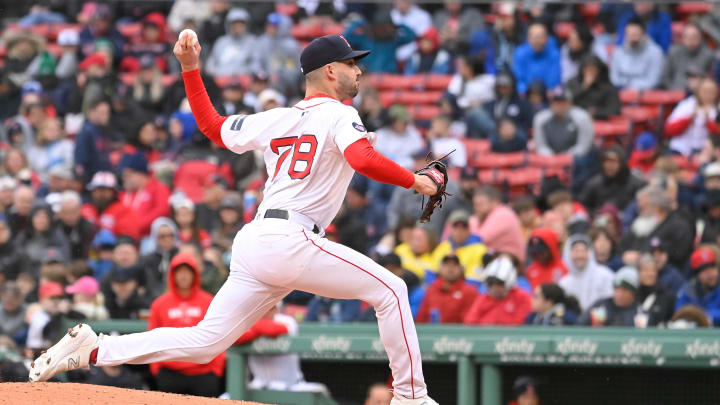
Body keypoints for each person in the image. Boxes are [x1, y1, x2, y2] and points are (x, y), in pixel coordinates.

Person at [35, 32, 443, 405]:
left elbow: (213, 127)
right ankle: (411, 397)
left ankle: (94, 349)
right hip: (291, 236)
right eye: (352, 63)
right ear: (331, 71)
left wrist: (190, 69)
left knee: (204, 342)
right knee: (391, 290)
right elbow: (361, 157)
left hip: (259, 240)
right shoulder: (339, 115)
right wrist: (415, 181)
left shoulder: (279, 117)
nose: (359, 70)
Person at [148, 253, 225, 397]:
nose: (183, 276)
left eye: (187, 271)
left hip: (204, 373)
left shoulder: (208, 301)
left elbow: (219, 335)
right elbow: (152, 336)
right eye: (179, 271)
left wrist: (216, 369)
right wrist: (156, 369)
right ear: (173, 275)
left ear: (194, 274)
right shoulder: (160, 304)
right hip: (170, 373)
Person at [463, 256, 532, 325]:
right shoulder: (484, 298)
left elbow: (519, 322)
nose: (495, 288)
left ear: (509, 283)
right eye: (491, 283)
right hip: (485, 334)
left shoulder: (522, 297)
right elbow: (470, 321)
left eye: (499, 284)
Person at [117, 151, 171, 237]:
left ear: (140, 174)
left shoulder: (158, 189)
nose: (124, 179)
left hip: (148, 236)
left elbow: (162, 210)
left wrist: (136, 225)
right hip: (124, 236)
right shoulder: (124, 194)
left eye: (128, 175)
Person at [580, 146, 647, 213]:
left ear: (622, 163)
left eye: (613, 162)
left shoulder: (637, 185)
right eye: (606, 161)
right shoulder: (594, 184)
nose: (609, 165)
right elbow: (582, 207)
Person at [469, 186, 525, 264]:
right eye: (475, 204)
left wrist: (474, 221)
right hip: (493, 259)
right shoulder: (481, 217)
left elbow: (479, 239)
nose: (476, 208)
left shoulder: (503, 214)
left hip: (512, 262)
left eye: (480, 204)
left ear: (495, 202)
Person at [416, 254, 478, 323]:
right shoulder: (432, 289)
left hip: (458, 332)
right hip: (433, 331)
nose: (450, 268)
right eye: (446, 265)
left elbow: (470, 320)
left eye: (455, 265)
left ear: (461, 269)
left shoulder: (469, 291)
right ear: (440, 268)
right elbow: (422, 316)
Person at [559, 234, 614, 312]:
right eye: (576, 251)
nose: (580, 255)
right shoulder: (564, 282)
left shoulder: (605, 275)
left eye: (583, 251)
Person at [533, 88, 594, 158]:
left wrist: (566, 157)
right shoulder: (540, 118)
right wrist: (552, 158)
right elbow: (540, 145)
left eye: (563, 102)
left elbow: (584, 145)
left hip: (577, 159)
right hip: (551, 159)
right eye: (556, 102)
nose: (559, 105)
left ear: (570, 103)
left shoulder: (582, 117)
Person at [665, 78, 719, 157]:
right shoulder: (687, 105)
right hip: (680, 149)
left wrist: (708, 121)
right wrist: (689, 119)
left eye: (711, 92)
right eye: (705, 91)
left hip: (705, 152)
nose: (708, 95)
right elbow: (669, 129)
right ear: (699, 91)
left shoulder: (717, 108)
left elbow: (717, 133)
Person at [81, 171, 141, 242]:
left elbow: (129, 237)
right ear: (92, 191)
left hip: (113, 250)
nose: (101, 194)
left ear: (113, 192)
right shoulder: (84, 209)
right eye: (98, 190)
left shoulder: (123, 211)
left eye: (105, 190)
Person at [73, 99, 123, 183]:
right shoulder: (86, 132)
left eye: (107, 113)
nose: (106, 116)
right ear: (91, 113)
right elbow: (81, 162)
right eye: (102, 112)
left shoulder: (105, 131)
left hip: (107, 179)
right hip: (93, 182)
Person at [432, 211, 486, 286]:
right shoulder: (443, 247)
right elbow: (432, 272)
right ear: (450, 229)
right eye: (456, 226)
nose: (459, 230)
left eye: (464, 226)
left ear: (469, 229)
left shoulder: (479, 249)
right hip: (441, 287)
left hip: (464, 289)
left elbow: (475, 280)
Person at [609, 17, 665, 90]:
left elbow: (653, 81)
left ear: (644, 34)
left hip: (647, 94)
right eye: (629, 35)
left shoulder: (655, 52)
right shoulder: (618, 52)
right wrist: (628, 86)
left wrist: (633, 87)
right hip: (621, 91)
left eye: (635, 35)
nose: (632, 39)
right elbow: (614, 79)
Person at [205, 8, 260, 76]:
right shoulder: (221, 42)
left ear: (246, 25)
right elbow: (210, 64)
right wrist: (218, 73)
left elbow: (256, 65)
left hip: (244, 80)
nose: (237, 27)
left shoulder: (252, 42)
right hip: (221, 80)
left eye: (240, 24)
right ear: (228, 25)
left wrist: (243, 73)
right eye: (234, 24)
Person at [512, 22, 560, 94]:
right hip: (526, 93)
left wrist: (546, 92)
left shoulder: (554, 54)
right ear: (528, 38)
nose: (537, 41)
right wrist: (526, 92)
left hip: (547, 94)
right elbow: (519, 78)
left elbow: (554, 78)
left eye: (540, 37)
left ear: (546, 38)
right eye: (534, 37)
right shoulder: (520, 53)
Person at [566, 56, 620, 120]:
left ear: (599, 70)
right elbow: (566, 101)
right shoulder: (573, 83)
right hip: (576, 120)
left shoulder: (608, 87)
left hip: (599, 121)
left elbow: (615, 109)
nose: (590, 72)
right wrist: (583, 87)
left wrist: (596, 112)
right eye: (587, 69)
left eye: (593, 69)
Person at [662, 23, 714, 91]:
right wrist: (673, 89)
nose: (690, 40)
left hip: (700, 95)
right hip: (674, 92)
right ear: (682, 38)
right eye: (687, 37)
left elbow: (711, 80)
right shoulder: (673, 52)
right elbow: (665, 77)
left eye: (694, 37)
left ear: (701, 38)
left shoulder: (708, 55)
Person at [675, 247, 720, 326]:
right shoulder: (688, 290)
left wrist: (707, 316)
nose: (710, 274)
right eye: (704, 270)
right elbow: (679, 313)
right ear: (697, 275)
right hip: (695, 335)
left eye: (713, 267)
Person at [374, 105, 424, 170]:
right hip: (384, 170)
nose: (406, 124)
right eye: (403, 122)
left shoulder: (413, 133)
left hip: (408, 171)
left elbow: (418, 155)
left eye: (406, 122)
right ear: (393, 122)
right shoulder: (380, 135)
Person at [635, 253, 675, 327]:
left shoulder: (667, 297)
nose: (650, 274)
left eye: (653, 270)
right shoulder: (632, 296)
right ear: (638, 273)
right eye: (646, 270)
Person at [56, 191, 95, 261]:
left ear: (80, 210)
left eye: (73, 212)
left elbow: (90, 255)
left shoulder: (89, 228)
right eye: (66, 212)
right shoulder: (54, 227)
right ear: (60, 212)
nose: (69, 216)